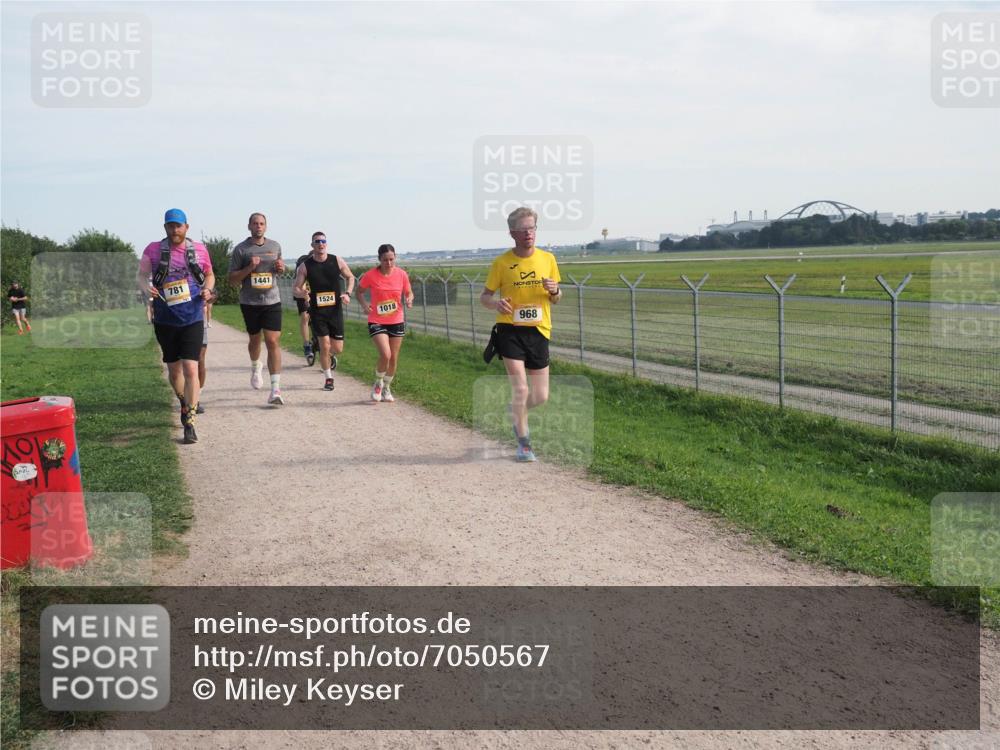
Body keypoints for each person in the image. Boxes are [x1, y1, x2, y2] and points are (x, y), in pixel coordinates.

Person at [479, 207, 561, 462]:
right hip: (509, 330)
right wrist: (495, 304)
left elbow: (557, 298)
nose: (528, 233)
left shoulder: (548, 259)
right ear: (512, 233)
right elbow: (484, 296)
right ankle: (524, 445)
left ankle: (515, 410)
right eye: (523, 229)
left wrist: (555, 291)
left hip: (539, 330)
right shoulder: (502, 263)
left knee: (541, 396)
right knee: (521, 389)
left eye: (532, 228)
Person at [136, 208, 215, 444]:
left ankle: (189, 422)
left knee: (191, 368)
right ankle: (184, 402)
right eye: (170, 225)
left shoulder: (199, 249)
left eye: (178, 225)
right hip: (165, 319)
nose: (175, 230)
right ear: (165, 227)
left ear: (186, 227)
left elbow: (210, 274)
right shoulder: (153, 250)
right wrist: (145, 287)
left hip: (192, 317)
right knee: (174, 371)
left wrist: (207, 289)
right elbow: (141, 275)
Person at [227, 212, 286, 405]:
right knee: (255, 340)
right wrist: (249, 268)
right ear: (249, 226)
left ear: (265, 226)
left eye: (261, 223)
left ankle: (275, 390)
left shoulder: (275, 246)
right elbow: (232, 280)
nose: (258, 226)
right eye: (255, 223)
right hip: (250, 302)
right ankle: (255, 366)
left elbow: (279, 269)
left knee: (272, 341)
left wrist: (281, 268)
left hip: (272, 300)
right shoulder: (241, 249)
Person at [292, 231, 355, 391]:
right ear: (312, 245)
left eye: (323, 241)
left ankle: (324, 354)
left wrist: (347, 293)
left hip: (335, 311)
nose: (320, 244)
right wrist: (303, 293)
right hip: (317, 311)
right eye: (317, 241)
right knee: (325, 346)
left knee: (337, 348)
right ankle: (328, 378)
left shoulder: (336, 260)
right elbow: (296, 289)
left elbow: (350, 277)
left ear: (326, 244)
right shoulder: (305, 266)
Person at [356, 244, 413, 403]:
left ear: (395, 258)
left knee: (393, 358)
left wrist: (409, 298)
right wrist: (364, 305)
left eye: (391, 259)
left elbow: (408, 291)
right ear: (379, 259)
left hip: (396, 320)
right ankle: (378, 383)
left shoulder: (401, 274)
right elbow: (359, 292)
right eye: (385, 260)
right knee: (385, 354)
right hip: (377, 320)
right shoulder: (370, 275)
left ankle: (387, 387)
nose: (388, 263)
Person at [293, 250, 315, 366]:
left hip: (316, 293)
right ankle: (307, 344)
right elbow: (300, 286)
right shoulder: (303, 266)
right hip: (302, 292)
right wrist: (305, 297)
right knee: (305, 316)